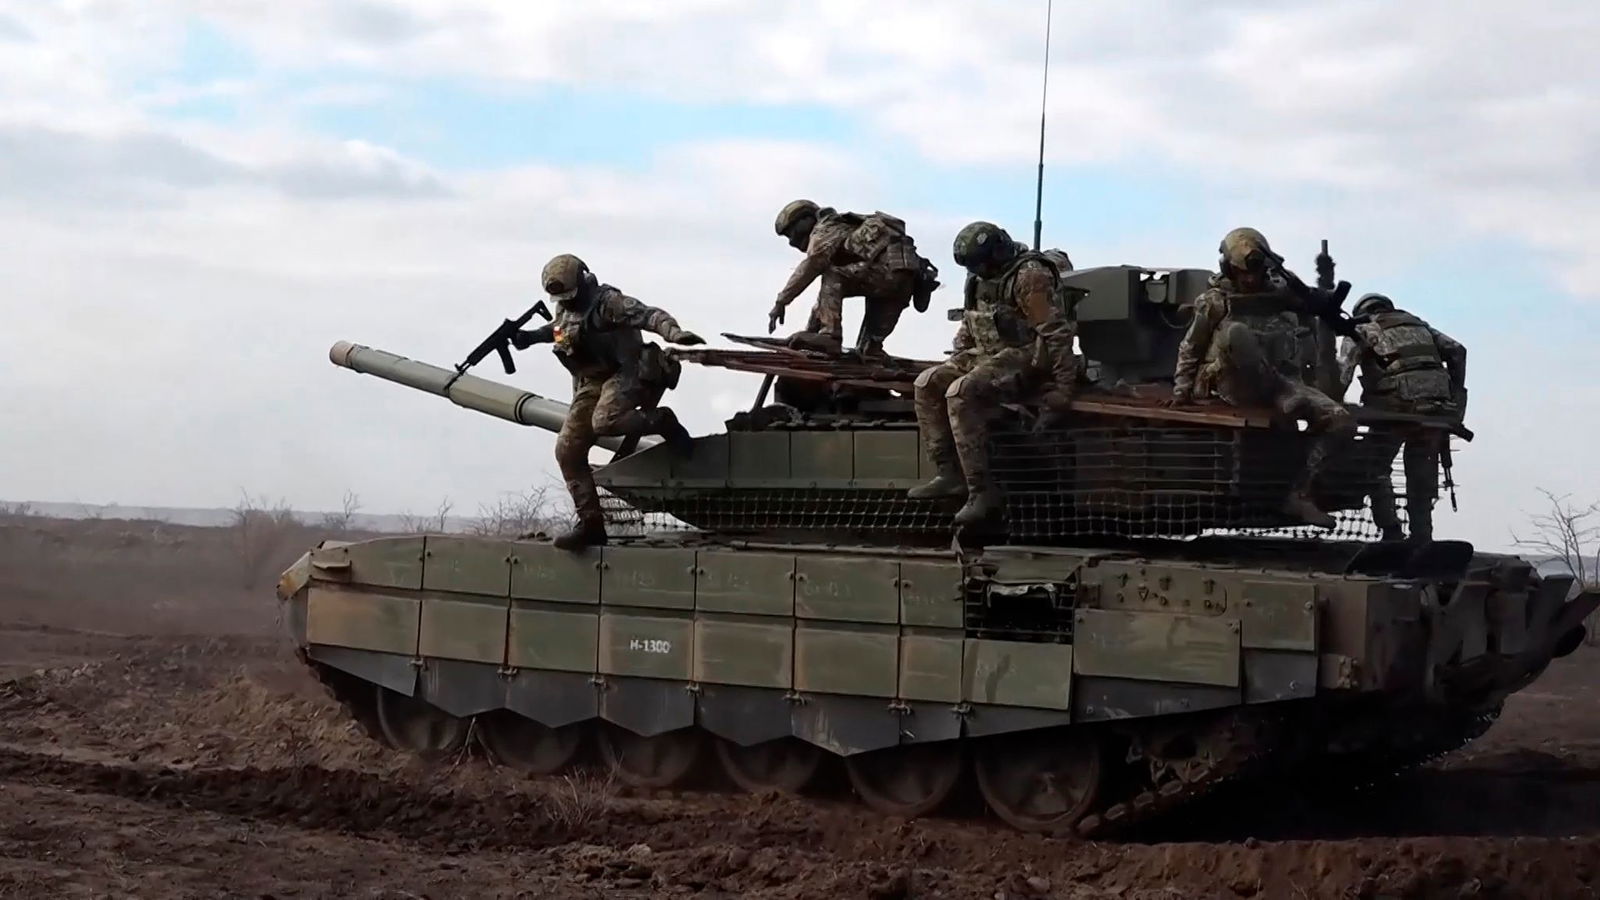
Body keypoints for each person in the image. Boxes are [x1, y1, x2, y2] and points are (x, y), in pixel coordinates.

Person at [511, 254, 704, 550]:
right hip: (592, 381)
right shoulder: (566, 308)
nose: (566, 302)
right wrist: (531, 337)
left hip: (626, 372)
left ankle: (662, 420)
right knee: (568, 450)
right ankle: (590, 524)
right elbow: (559, 330)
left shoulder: (608, 303)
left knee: (605, 421)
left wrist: (675, 333)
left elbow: (650, 315)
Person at [1168, 227, 1356, 528]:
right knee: (1237, 334)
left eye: (1256, 273)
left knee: (1342, 422)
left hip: (1286, 381)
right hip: (1232, 383)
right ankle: (1283, 395)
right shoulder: (1215, 300)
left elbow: (1314, 309)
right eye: (1243, 273)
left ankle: (1300, 494)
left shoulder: (1283, 291)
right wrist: (1182, 392)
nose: (1251, 280)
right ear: (1229, 269)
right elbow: (1191, 346)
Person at [906, 222, 1078, 526]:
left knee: (961, 393)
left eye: (983, 263)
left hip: (1025, 354)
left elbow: (1055, 334)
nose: (980, 270)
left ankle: (982, 492)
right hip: (987, 353)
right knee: (926, 383)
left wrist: (1064, 387)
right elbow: (970, 322)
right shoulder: (977, 278)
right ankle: (949, 474)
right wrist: (958, 353)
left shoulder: (1029, 276)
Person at [1337, 292, 1467, 542]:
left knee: (1375, 468)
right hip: (1437, 412)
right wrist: (1457, 398)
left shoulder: (1361, 328)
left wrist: (1330, 406)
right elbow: (1457, 351)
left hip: (1394, 409)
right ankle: (1421, 536)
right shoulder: (1419, 325)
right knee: (1420, 472)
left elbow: (1344, 372)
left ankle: (1391, 531)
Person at [768, 199, 938, 356]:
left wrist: (781, 302)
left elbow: (811, 266)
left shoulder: (826, 229)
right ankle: (871, 348)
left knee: (832, 274)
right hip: (901, 284)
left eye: (791, 233)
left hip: (884, 276)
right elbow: (826, 299)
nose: (791, 241)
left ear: (804, 221)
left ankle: (830, 335)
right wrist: (810, 332)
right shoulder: (850, 228)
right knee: (868, 351)